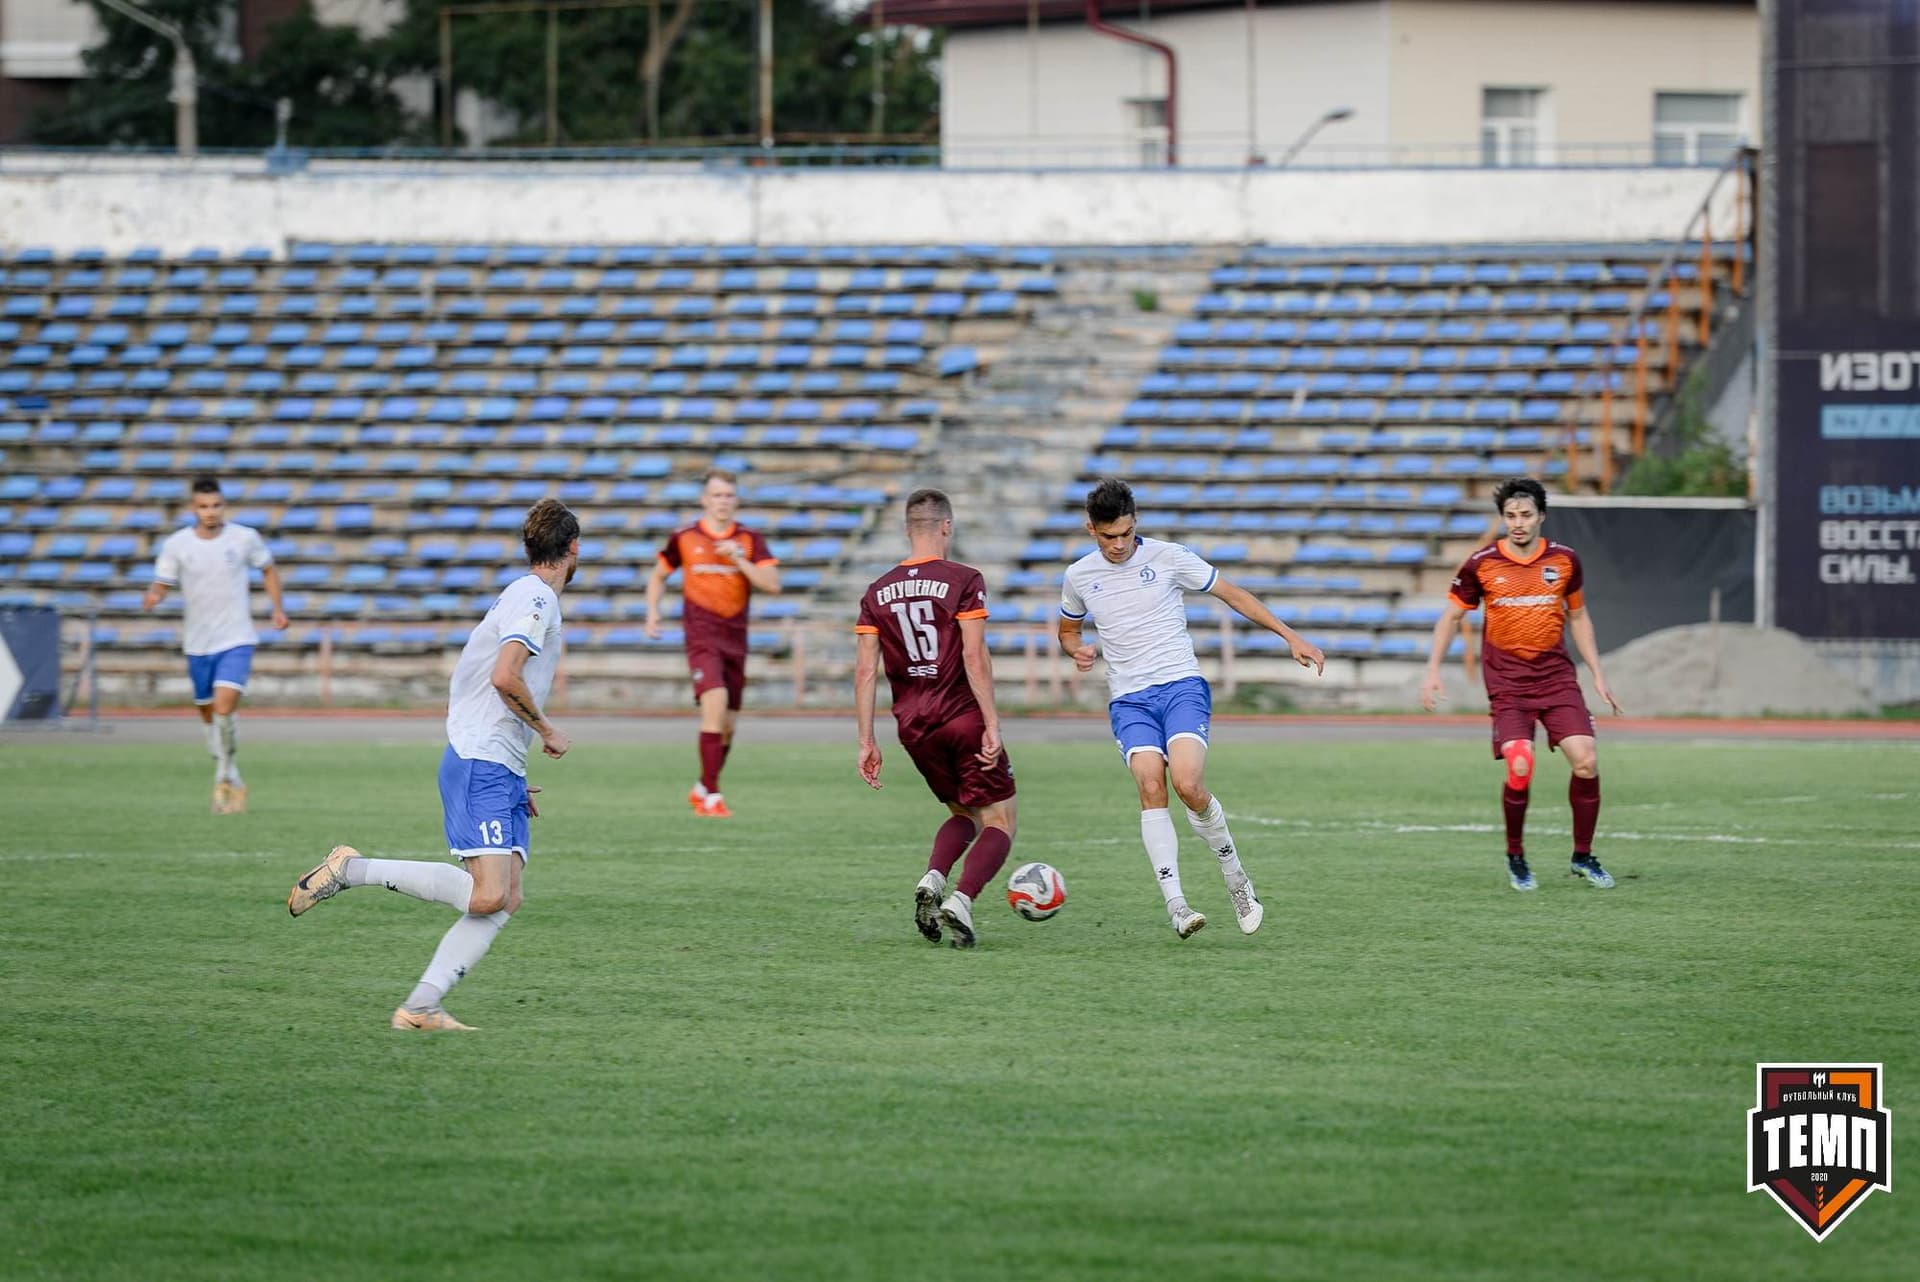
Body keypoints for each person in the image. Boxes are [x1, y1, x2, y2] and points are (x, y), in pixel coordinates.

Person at [285, 499, 579, 1031]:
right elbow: (505, 676)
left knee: (506, 897)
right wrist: (547, 731)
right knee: (489, 893)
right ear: (574, 548)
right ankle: (351, 869)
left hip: (497, 763)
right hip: (479, 759)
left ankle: (421, 1006)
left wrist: (514, 772)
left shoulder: (524, 595)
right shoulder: (536, 597)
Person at [1056, 479, 1324, 940]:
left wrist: (1290, 635)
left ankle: (1236, 877)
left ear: (1135, 523)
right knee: (1149, 785)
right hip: (1129, 699)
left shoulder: (1168, 557)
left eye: (1124, 533)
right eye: (1107, 537)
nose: (1118, 544)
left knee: (1188, 784)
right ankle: (1177, 904)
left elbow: (1233, 594)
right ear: (1090, 530)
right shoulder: (1079, 576)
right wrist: (1076, 649)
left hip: (1180, 686)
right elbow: (1068, 629)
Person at [1419, 477, 1623, 892]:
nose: (1518, 522)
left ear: (1541, 517)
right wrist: (1433, 670)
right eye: (1510, 516)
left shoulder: (1565, 561)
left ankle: (1582, 856)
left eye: (1526, 515)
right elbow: (1451, 618)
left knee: (1586, 760)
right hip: (1509, 683)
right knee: (1520, 766)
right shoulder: (1482, 563)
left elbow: (1579, 617)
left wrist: (1598, 674)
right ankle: (1516, 856)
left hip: (1556, 677)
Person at [854, 488, 1016, 949]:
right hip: (961, 714)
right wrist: (992, 723)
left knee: (963, 811)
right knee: (1001, 820)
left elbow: (866, 670)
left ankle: (933, 876)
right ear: (946, 526)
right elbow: (973, 655)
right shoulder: (963, 579)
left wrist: (867, 740)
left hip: (913, 725)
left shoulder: (876, 592)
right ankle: (962, 898)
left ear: (907, 529)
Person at [142, 475, 288, 814]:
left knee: (224, 707)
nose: (211, 511)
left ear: (224, 506)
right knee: (208, 712)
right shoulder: (178, 545)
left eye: (216, 505)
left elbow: (268, 569)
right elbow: (162, 582)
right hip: (198, 641)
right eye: (204, 506)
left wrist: (277, 609)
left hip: (236, 637)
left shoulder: (243, 538)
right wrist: (154, 596)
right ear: (194, 508)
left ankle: (224, 772)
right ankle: (229, 768)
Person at [645, 469, 780, 818]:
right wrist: (652, 613)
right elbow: (658, 576)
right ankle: (712, 797)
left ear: (735, 501)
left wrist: (738, 559)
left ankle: (704, 785)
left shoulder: (750, 540)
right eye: (716, 495)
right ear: (705, 499)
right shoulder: (685, 537)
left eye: (728, 496)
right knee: (715, 705)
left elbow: (772, 584)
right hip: (702, 636)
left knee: (729, 723)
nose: (722, 501)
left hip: (736, 638)